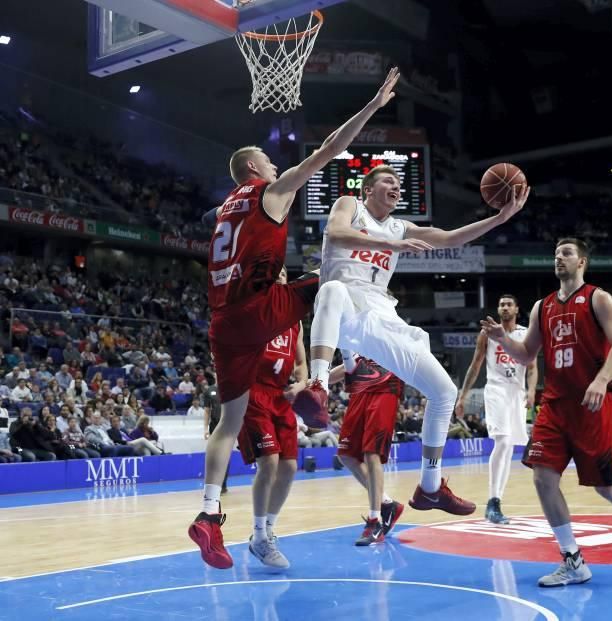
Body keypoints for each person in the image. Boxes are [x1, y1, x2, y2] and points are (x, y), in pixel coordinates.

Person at [189, 67, 402, 570]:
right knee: (332, 279)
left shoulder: (224, 210)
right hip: (260, 308)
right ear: (255, 168)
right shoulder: (271, 192)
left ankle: (208, 514)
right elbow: (330, 147)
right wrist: (372, 106)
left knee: (227, 423)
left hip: (223, 321)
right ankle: (329, 377)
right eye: (266, 157)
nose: (272, 159)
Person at [294, 164, 529, 515]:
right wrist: (392, 243)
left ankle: (430, 487)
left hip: (380, 316)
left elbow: (449, 238)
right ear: (367, 189)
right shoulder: (349, 205)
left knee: (444, 392)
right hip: (344, 308)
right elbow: (336, 233)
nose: (396, 187)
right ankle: (318, 385)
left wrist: (499, 218)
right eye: (389, 181)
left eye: (399, 184)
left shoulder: (400, 226)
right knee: (331, 289)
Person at [480, 238, 612, 587]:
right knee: (542, 477)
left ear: (582, 261)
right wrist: (502, 338)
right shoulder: (541, 307)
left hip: (591, 405)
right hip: (555, 405)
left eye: (566, 253)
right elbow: (527, 356)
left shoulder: (598, 298)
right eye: (556, 254)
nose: (559, 258)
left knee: (608, 489)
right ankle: (572, 560)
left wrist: (602, 380)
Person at [236, 267, 307, 569]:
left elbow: (302, 363)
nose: (279, 277)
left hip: (280, 396)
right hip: (254, 392)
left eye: (283, 274)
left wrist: (302, 384)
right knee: (270, 462)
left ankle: (267, 531)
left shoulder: (295, 321)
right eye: (274, 274)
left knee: (290, 466)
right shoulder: (254, 310)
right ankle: (259, 534)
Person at [456, 294, 537, 523]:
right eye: (501, 304)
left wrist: (531, 391)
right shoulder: (487, 333)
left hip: (517, 392)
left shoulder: (525, 334)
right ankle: (492, 501)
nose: (504, 307)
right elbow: (476, 364)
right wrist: (462, 396)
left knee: (509, 445)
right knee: (502, 441)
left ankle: (496, 501)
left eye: (509, 304)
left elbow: (532, 368)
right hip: (496, 389)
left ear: (517, 309)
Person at [329, 353, 405, 546]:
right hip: (360, 390)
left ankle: (375, 521)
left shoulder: (391, 333)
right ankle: (388, 504)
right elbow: (349, 365)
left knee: (371, 454)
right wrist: (316, 381)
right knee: (346, 455)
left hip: (385, 388)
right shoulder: (358, 338)